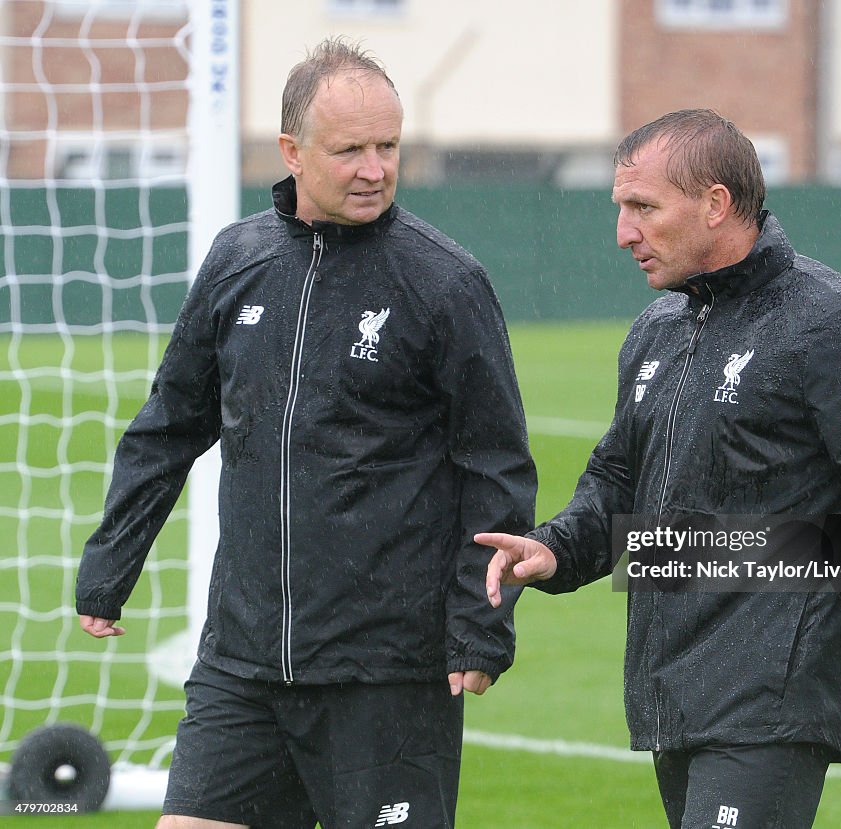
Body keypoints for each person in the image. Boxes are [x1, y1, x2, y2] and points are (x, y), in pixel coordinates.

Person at [76, 37, 536, 829]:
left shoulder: (445, 282)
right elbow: (168, 425)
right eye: (350, 149)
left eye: (388, 146)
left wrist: (480, 626)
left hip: (385, 671)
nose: (375, 168)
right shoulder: (237, 259)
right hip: (243, 663)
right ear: (291, 151)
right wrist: (110, 564)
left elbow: (495, 467)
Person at [477, 109, 841, 829]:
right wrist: (555, 546)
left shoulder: (831, 323)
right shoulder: (657, 330)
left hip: (772, 695)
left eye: (643, 208)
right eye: (620, 208)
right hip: (675, 687)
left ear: (716, 204)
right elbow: (616, 484)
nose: (623, 232)